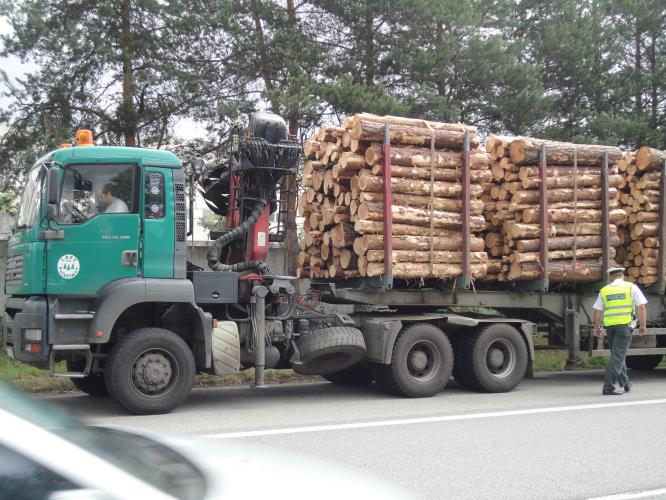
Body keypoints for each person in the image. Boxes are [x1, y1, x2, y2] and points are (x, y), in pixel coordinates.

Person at [593, 266, 647, 395]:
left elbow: (597, 310)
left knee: (618, 355)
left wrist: (597, 327)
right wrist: (642, 325)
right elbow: (641, 307)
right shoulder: (630, 287)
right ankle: (608, 387)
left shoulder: (604, 290)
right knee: (617, 356)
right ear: (622, 276)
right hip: (624, 326)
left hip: (610, 327)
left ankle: (625, 383)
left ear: (611, 277)